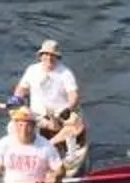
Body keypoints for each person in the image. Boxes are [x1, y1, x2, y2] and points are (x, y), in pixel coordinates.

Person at [14, 37, 86, 165]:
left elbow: (73, 95)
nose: (48, 58)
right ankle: (20, 154)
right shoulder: (32, 70)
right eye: (45, 54)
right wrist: (16, 99)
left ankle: (68, 153)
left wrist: (68, 109)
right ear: (40, 56)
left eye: (52, 55)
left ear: (57, 57)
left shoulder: (65, 73)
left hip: (60, 114)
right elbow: (21, 90)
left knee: (76, 123)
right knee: (14, 124)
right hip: (37, 115)